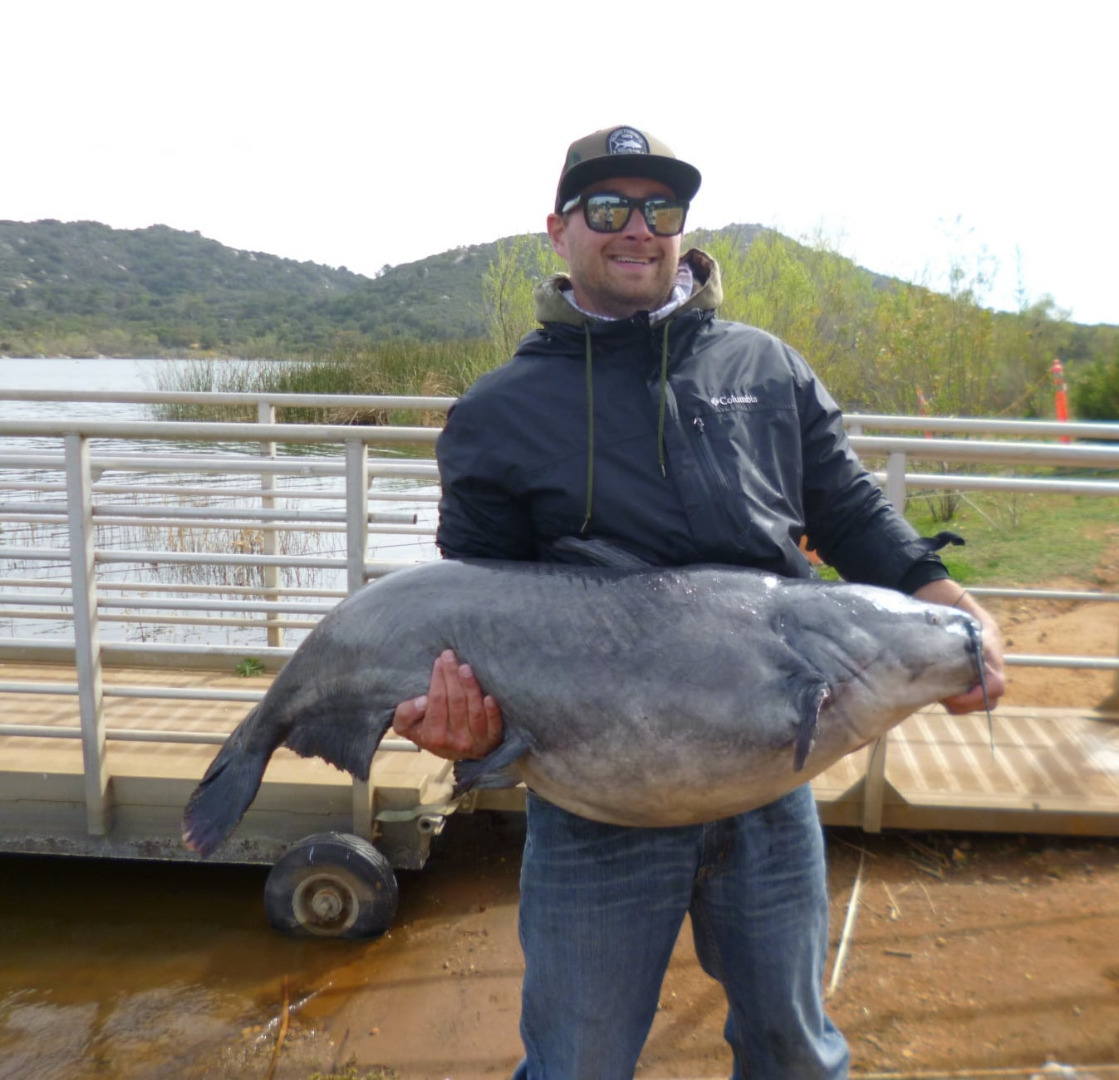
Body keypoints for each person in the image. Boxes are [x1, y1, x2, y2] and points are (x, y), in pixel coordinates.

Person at [393, 125, 1006, 1079]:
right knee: (577, 1063)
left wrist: (946, 602)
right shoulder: (496, 411)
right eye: (608, 208)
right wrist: (457, 723)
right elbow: (475, 603)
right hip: (597, 806)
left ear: (681, 227)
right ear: (558, 230)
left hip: (769, 781)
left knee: (795, 1052)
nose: (637, 228)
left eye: (660, 209)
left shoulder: (764, 367)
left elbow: (847, 512)